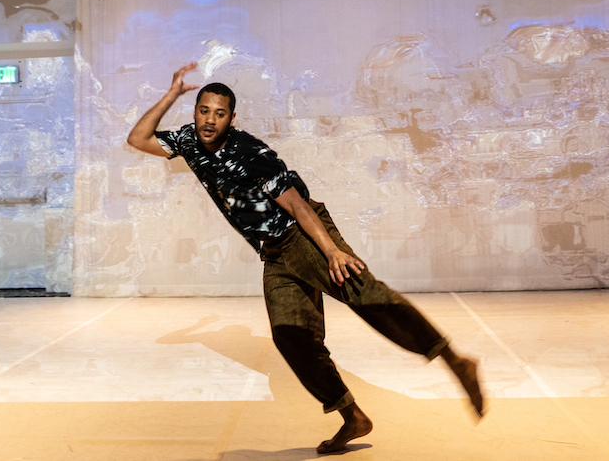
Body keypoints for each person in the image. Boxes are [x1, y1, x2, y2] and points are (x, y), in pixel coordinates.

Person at [127, 62, 485, 454]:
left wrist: (331, 250)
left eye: (220, 113)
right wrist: (171, 94)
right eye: (203, 110)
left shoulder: (251, 151)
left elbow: (296, 204)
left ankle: (454, 360)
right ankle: (353, 416)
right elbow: (138, 138)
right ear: (195, 112)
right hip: (273, 252)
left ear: (233, 118)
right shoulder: (188, 141)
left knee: (365, 296)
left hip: (303, 234)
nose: (210, 120)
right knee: (290, 335)